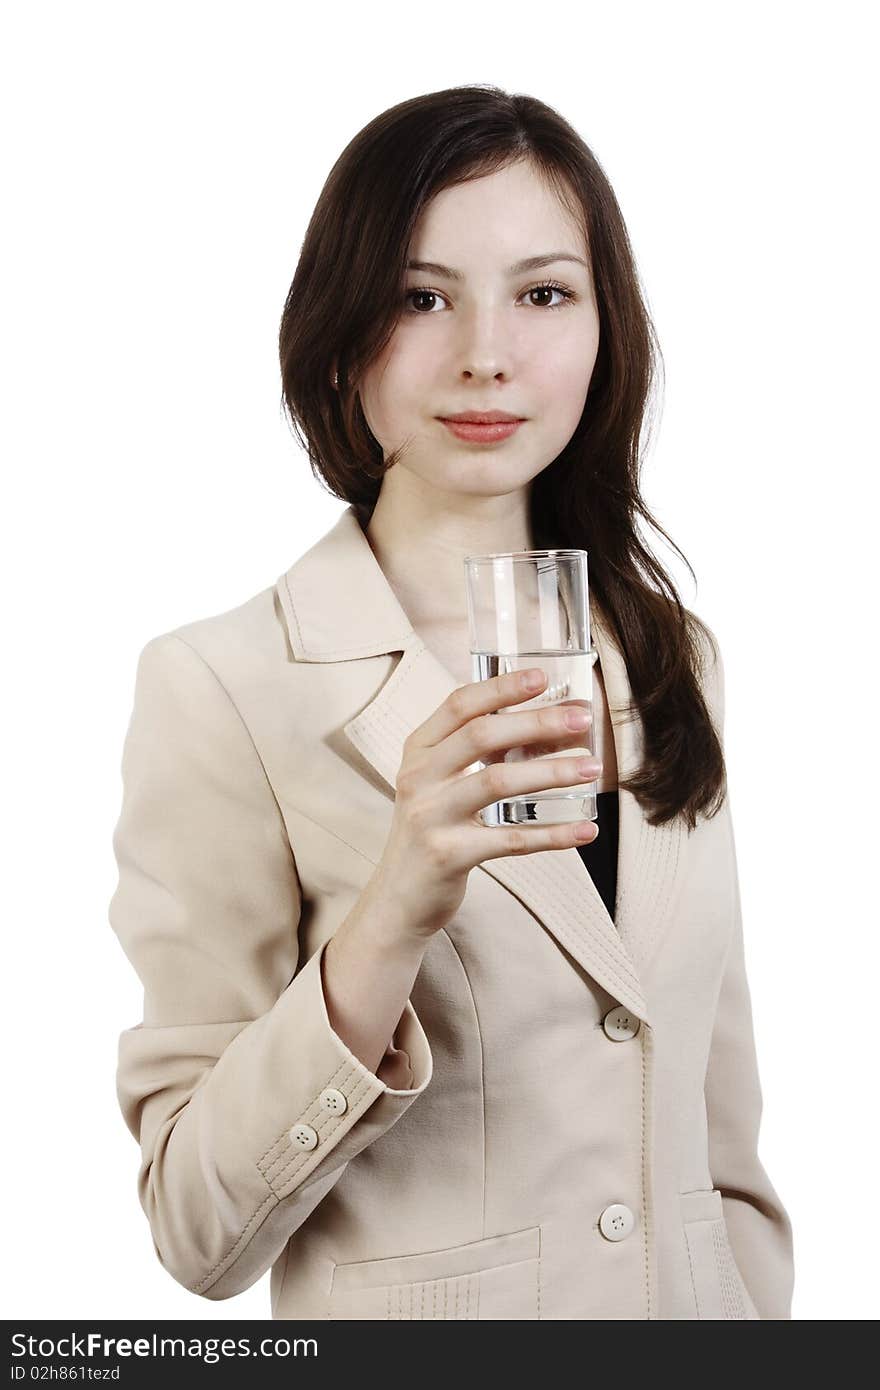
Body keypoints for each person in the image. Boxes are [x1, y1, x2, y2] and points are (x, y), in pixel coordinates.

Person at [108, 84, 795, 1319]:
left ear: (605, 329)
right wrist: (392, 910)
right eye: (422, 297)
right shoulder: (221, 686)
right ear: (338, 332)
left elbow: (717, 1134)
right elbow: (194, 1229)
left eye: (543, 293)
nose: (487, 350)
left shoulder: (671, 654)